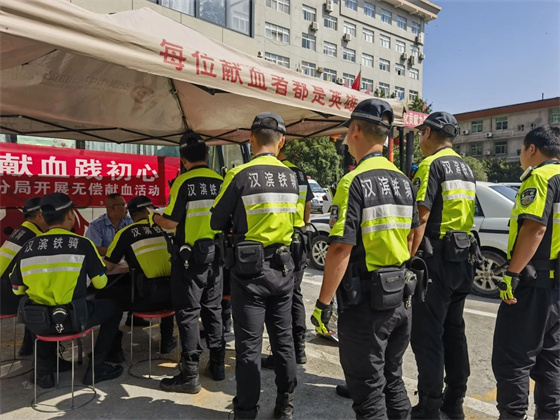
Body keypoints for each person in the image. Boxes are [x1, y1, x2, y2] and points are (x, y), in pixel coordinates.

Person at [311, 99, 419, 419]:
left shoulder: (353, 181)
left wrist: (323, 304)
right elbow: (413, 237)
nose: (346, 138)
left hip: (366, 306)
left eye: (348, 131)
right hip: (400, 296)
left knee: (368, 395)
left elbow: (340, 249)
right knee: (393, 380)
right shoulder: (403, 180)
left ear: (356, 129)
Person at [210, 113, 299, 419]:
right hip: (284, 269)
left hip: (249, 273)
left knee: (249, 347)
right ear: (281, 141)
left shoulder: (239, 175)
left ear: (250, 139)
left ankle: (246, 411)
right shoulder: (291, 177)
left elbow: (215, 220)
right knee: (283, 341)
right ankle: (285, 405)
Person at [10, 193, 124, 388]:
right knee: (115, 306)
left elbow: (17, 290)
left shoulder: (28, 246)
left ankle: (44, 374)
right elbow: (100, 284)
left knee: (38, 304)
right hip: (74, 319)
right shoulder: (83, 244)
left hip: (39, 323)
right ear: (71, 215)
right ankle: (96, 368)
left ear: (43, 217)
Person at [409, 112, 476, 419]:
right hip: (462, 258)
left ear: (427, 133)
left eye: (420, 133)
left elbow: (420, 218)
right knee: (454, 331)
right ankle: (455, 401)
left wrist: (407, 260)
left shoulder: (431, 164)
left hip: (436, 260)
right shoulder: (465, 167)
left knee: (427, 334)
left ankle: (429, 406)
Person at [491, 125, 560, 420]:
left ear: (532, 149)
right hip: (556, 290)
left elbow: (534, 228)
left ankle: (512, 415)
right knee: (551, 360)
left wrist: (512, 274)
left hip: (535, 286)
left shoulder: (540, 177)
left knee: (513, 360)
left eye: (522, 149)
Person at [150, 133, 225, 394]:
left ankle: (190, 375)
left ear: (182, 160)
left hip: (189, 261)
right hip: (216, 257)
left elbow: (171, 222)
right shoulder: (221, 181)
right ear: (207, 155)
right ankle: (217, 365)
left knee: (189, 313)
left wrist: (153, 218)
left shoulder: (183, 182)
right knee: (213, 309)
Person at [103, 195, 177, 356]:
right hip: (174, 298)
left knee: (108, 296)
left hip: (143, 300)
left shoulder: (125, 233)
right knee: (167, 281)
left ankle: (112, 348)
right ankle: (167, 340)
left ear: (131, 214)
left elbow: (109, 265)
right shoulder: (168, 228)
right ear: (150, 211)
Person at [262, 144, 313, 369]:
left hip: (281, 241)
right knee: (296, 293)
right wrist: (303, 226)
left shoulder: (272, 172)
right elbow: (308, 205)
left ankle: (281, 351)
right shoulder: (299, 173)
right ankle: (299, 348)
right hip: (300, 237)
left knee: (279, 296)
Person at [85, 193, 143, 327]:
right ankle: (109, 319)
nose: (125, 208)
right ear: (111, 209)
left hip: (125, 267)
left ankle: (134, 314)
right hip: (108, 269)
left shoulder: (129, 222)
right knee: (108, 291)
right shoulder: (96, 225)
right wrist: (118, 251)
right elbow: (94, 248)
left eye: (125, 204)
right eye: (122, 205)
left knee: (137, 279)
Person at [0, 197, 48, 356]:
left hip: (4, 290)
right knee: (46, 298)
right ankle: (45, 357)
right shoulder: (36, 238)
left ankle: (29, 346)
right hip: (6, 296)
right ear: (40, 214)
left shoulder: (22, 231)